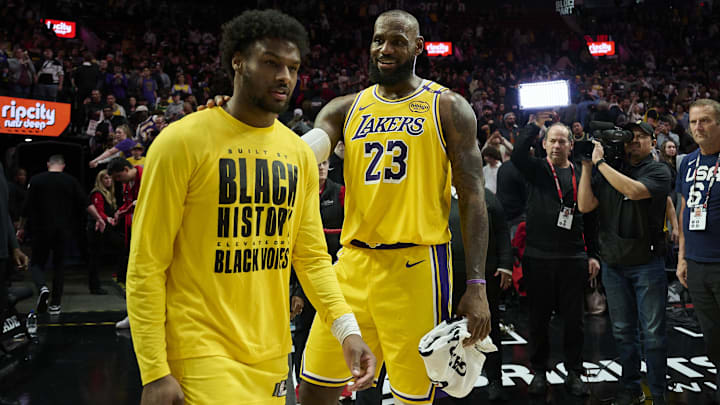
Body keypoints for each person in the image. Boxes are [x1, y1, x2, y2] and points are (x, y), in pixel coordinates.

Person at [126, 10, 375, 405]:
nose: (284, 76)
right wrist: (155, 370)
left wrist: (348, 331)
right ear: (238, 61)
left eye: (292, 67)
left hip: (273, 354)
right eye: (271, 62)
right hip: (200, 353)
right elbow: (146, 265)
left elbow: (310, 259)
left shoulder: (297, 153)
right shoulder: (180, 143)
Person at [298, 10, 491, 405]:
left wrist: (476, 285)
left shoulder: (448, 107)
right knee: (314, 389)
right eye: (378, 40)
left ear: (418, 47)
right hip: (351, 265)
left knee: (411, 398)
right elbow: (310, 149)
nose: (385, 49)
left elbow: (473, 197)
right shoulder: (343, 108)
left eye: (398, 41)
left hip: (416, 270)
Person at [578, 121, 671, 405]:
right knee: (622, 332)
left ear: (653, 142)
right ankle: (630, 389)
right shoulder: (610, 167)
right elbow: (584, 206)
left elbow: (634, 191)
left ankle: (657, 394)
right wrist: (586, 167)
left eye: (641, 137)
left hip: (647, 262)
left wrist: (602, 165)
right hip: (613, 263)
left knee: (652, 335)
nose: (634, 142)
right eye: (631, 137)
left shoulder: (658, 170)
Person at [511, 117, 598, 397]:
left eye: (563, 141)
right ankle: (539, 372)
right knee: (538, 319)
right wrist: (535, 124)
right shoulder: (536, 169)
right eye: (552, 141)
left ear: (571, 146)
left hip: (573, 257)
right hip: (538, 257)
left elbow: (591, 218)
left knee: (575, 320)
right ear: (544, 144)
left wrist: (593, 254)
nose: (557, 145)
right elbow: (516, 154)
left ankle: (574, 372)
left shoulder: (581, 173)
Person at [448, 186, 513, 402]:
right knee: (446, 328)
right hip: (446, 273)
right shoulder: (437, 194)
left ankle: (495, 379)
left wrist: (505, 265)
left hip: (485, 274)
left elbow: (503, 232)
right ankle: (448, 379)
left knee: (489, 327)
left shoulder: (489, 197)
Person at [676, 99, 720, 404]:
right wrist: (681, 256)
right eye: (693, 122)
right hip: (697, 262)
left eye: (705, 120)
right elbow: (683, 208)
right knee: (713, 338)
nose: (698, 127)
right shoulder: (688, 162)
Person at [17, 155, 101, 315]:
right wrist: (99, 218)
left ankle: (42, 287)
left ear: (48, 164)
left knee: (36, 263)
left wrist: (21, 228)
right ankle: (56, 304)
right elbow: (85, 203)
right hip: (63, 230)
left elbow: (26, 207)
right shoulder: (71, 181)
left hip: (40, 229)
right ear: (63, 166)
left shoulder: (36, 180)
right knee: (59, 266)